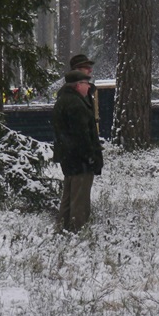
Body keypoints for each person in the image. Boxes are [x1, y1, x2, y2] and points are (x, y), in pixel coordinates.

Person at [52, 70, 103, 232]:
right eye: (86, 83)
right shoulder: (76, 104)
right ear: (77, 85)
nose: (89, 87)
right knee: (79, 200)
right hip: (80, 160)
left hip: (69, 158)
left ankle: (62, 228)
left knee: (68, 196)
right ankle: (77, 231)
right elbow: (82, 136)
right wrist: (90, 157)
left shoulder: (63, 100)